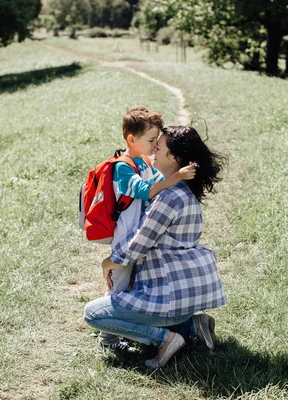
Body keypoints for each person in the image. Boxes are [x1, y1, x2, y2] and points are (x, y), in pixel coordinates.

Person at [84, 125, 227, 368]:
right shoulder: (186, 191)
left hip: (167, 297)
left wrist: (106, 263)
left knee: (93, 314)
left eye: (158, 147)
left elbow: (135, 247)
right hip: (186, 298)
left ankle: (165, 338)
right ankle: (192, 325)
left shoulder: (168, 197)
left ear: (175, 158)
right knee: (137, 308)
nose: (153, 151)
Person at [99, 107, 197, 351]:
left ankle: (131, 329)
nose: (155, 147)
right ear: (132, 139)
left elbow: (157, 182)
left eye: (157, 141)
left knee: (134, 285)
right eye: (151, 141)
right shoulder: (122, 167)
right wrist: (178, 177)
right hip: (125, 238)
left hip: (141, 234)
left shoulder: (143, 162)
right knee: (119, 287)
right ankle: (108, 338)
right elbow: (146, 191)